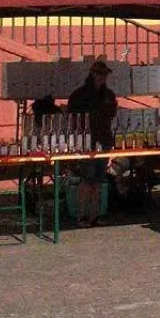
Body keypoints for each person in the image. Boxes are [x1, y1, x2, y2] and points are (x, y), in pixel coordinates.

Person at [67, 60, 118, 226]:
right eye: (100, 74)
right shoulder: (80, 94)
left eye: (104, 75)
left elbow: (112, 114)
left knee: (98, 179)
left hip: (103, 140)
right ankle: (82, 215)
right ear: (93, 74)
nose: (103, 78)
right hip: (86, 141)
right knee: (87, 179)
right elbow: (72, 118)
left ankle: (94, 215)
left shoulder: (108, 94)